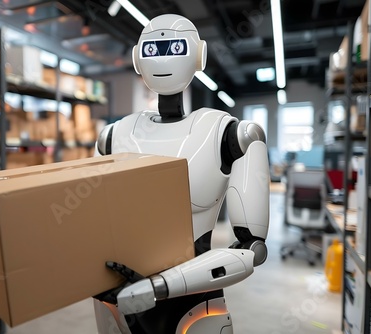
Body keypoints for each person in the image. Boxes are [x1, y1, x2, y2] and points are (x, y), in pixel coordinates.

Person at [93, 14, 270, 334]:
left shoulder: (229, 134)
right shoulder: (112, 136)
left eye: (174, 47)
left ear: (198, 54)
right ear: (137, 57)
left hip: (193, 303)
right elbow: (86, 221)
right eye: (152, 50)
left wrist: (159, 287)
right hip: (116, 300)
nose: (162, 59)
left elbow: (251, 249)